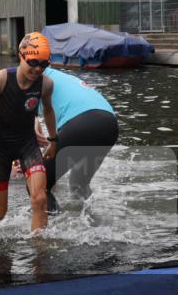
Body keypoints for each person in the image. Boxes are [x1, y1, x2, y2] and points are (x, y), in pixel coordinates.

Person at [0, 33, 59, 232]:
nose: (37, 69)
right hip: (0, 150)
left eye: (43, 65)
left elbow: (48, 110)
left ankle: (39, 254)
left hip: (28, 146)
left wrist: (53, 140)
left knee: (39, 199)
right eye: (33, 62)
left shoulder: (46, 85)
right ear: (21, 56)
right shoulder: (0, 79)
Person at [35, 69, 118, 203]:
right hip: (109, 123)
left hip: (81, 123)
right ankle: (90, 221)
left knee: (38, 185)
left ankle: (50, 223)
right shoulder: (59, 77)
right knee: (79, 184)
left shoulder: (31, 78)